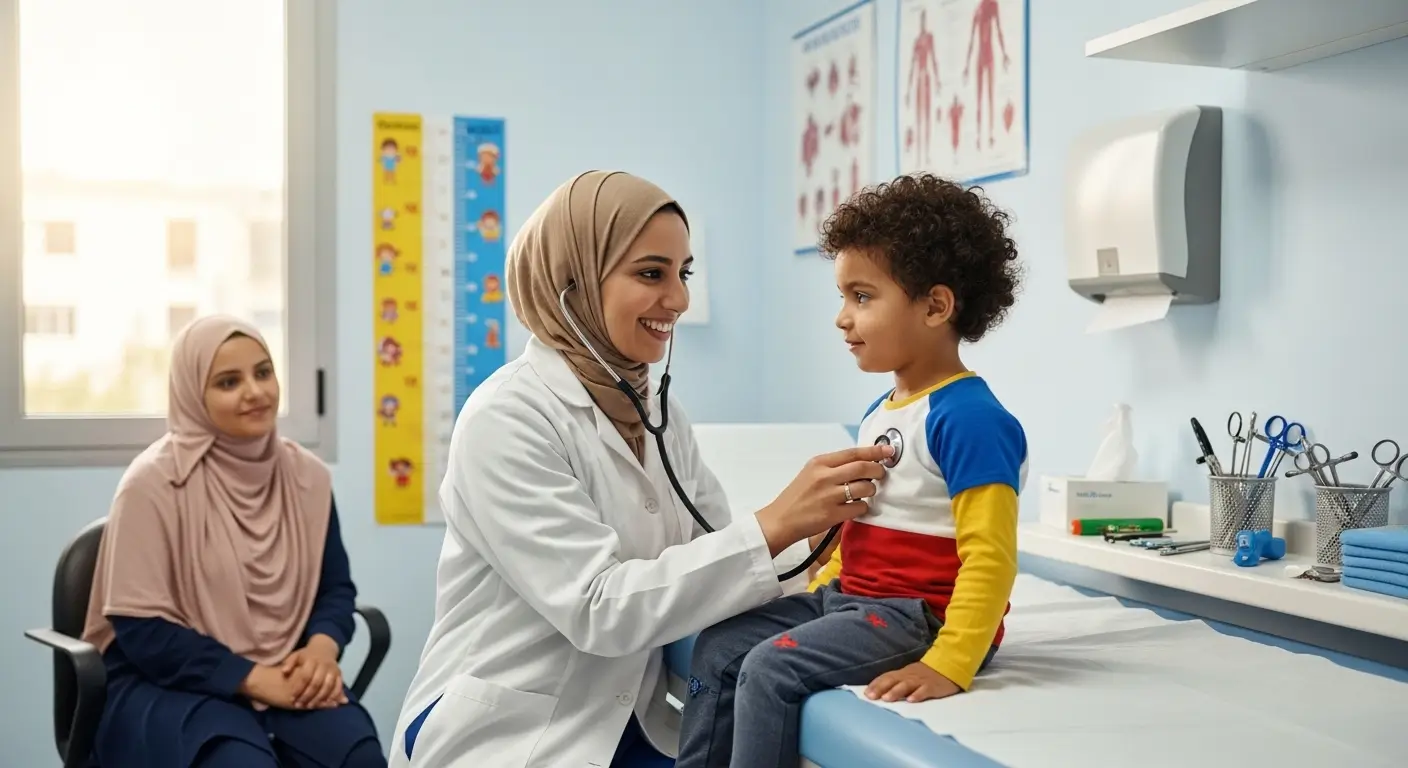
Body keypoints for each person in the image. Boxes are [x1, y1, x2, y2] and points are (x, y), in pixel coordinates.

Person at [389, 170, 894, 768]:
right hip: (509, 734)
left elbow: (714, 552)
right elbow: (597, 608)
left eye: (684, 274)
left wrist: (822, 551)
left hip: (626, 722)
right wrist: (776, 524)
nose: (678, 299)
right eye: (652, 273)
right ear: (573, 283)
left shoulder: (658, 413)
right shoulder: (506, 418)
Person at [675, 173, 1028, 768]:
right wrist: (823, 591)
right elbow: (860, 524)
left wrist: (949, 662)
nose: (842, 318)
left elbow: (991, 557)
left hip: (919, 618)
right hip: (852, 601)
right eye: (843, 298)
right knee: (719, 645)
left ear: (935, 306)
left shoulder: (971, 419)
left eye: (862, 297)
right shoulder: (880, 413)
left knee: (768, 668)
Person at [81, 316, 386, 768]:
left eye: (263, 372)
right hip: (167, 680)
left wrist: (322, 648)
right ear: (193, 395)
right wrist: (251, 677)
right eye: (229, 382)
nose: (255, 392)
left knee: (359, 758)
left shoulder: (306, 477)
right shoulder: (151, 485)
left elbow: (334, 588)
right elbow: (142, 629)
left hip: (286, 669)